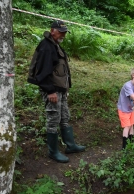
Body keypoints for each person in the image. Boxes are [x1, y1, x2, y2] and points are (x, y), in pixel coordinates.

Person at [28, 20, 85, 163]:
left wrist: (64, 89)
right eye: (61, 31)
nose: (63, 34)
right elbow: (42, 73)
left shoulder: (55, 46)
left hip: (60, 90)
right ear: (52, 30)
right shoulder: (46, 47)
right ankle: (53, 152)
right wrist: (50, 91)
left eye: (65, 32)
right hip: (52, 91)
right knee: (53, 119)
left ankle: (70, 145)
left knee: (64, 117)